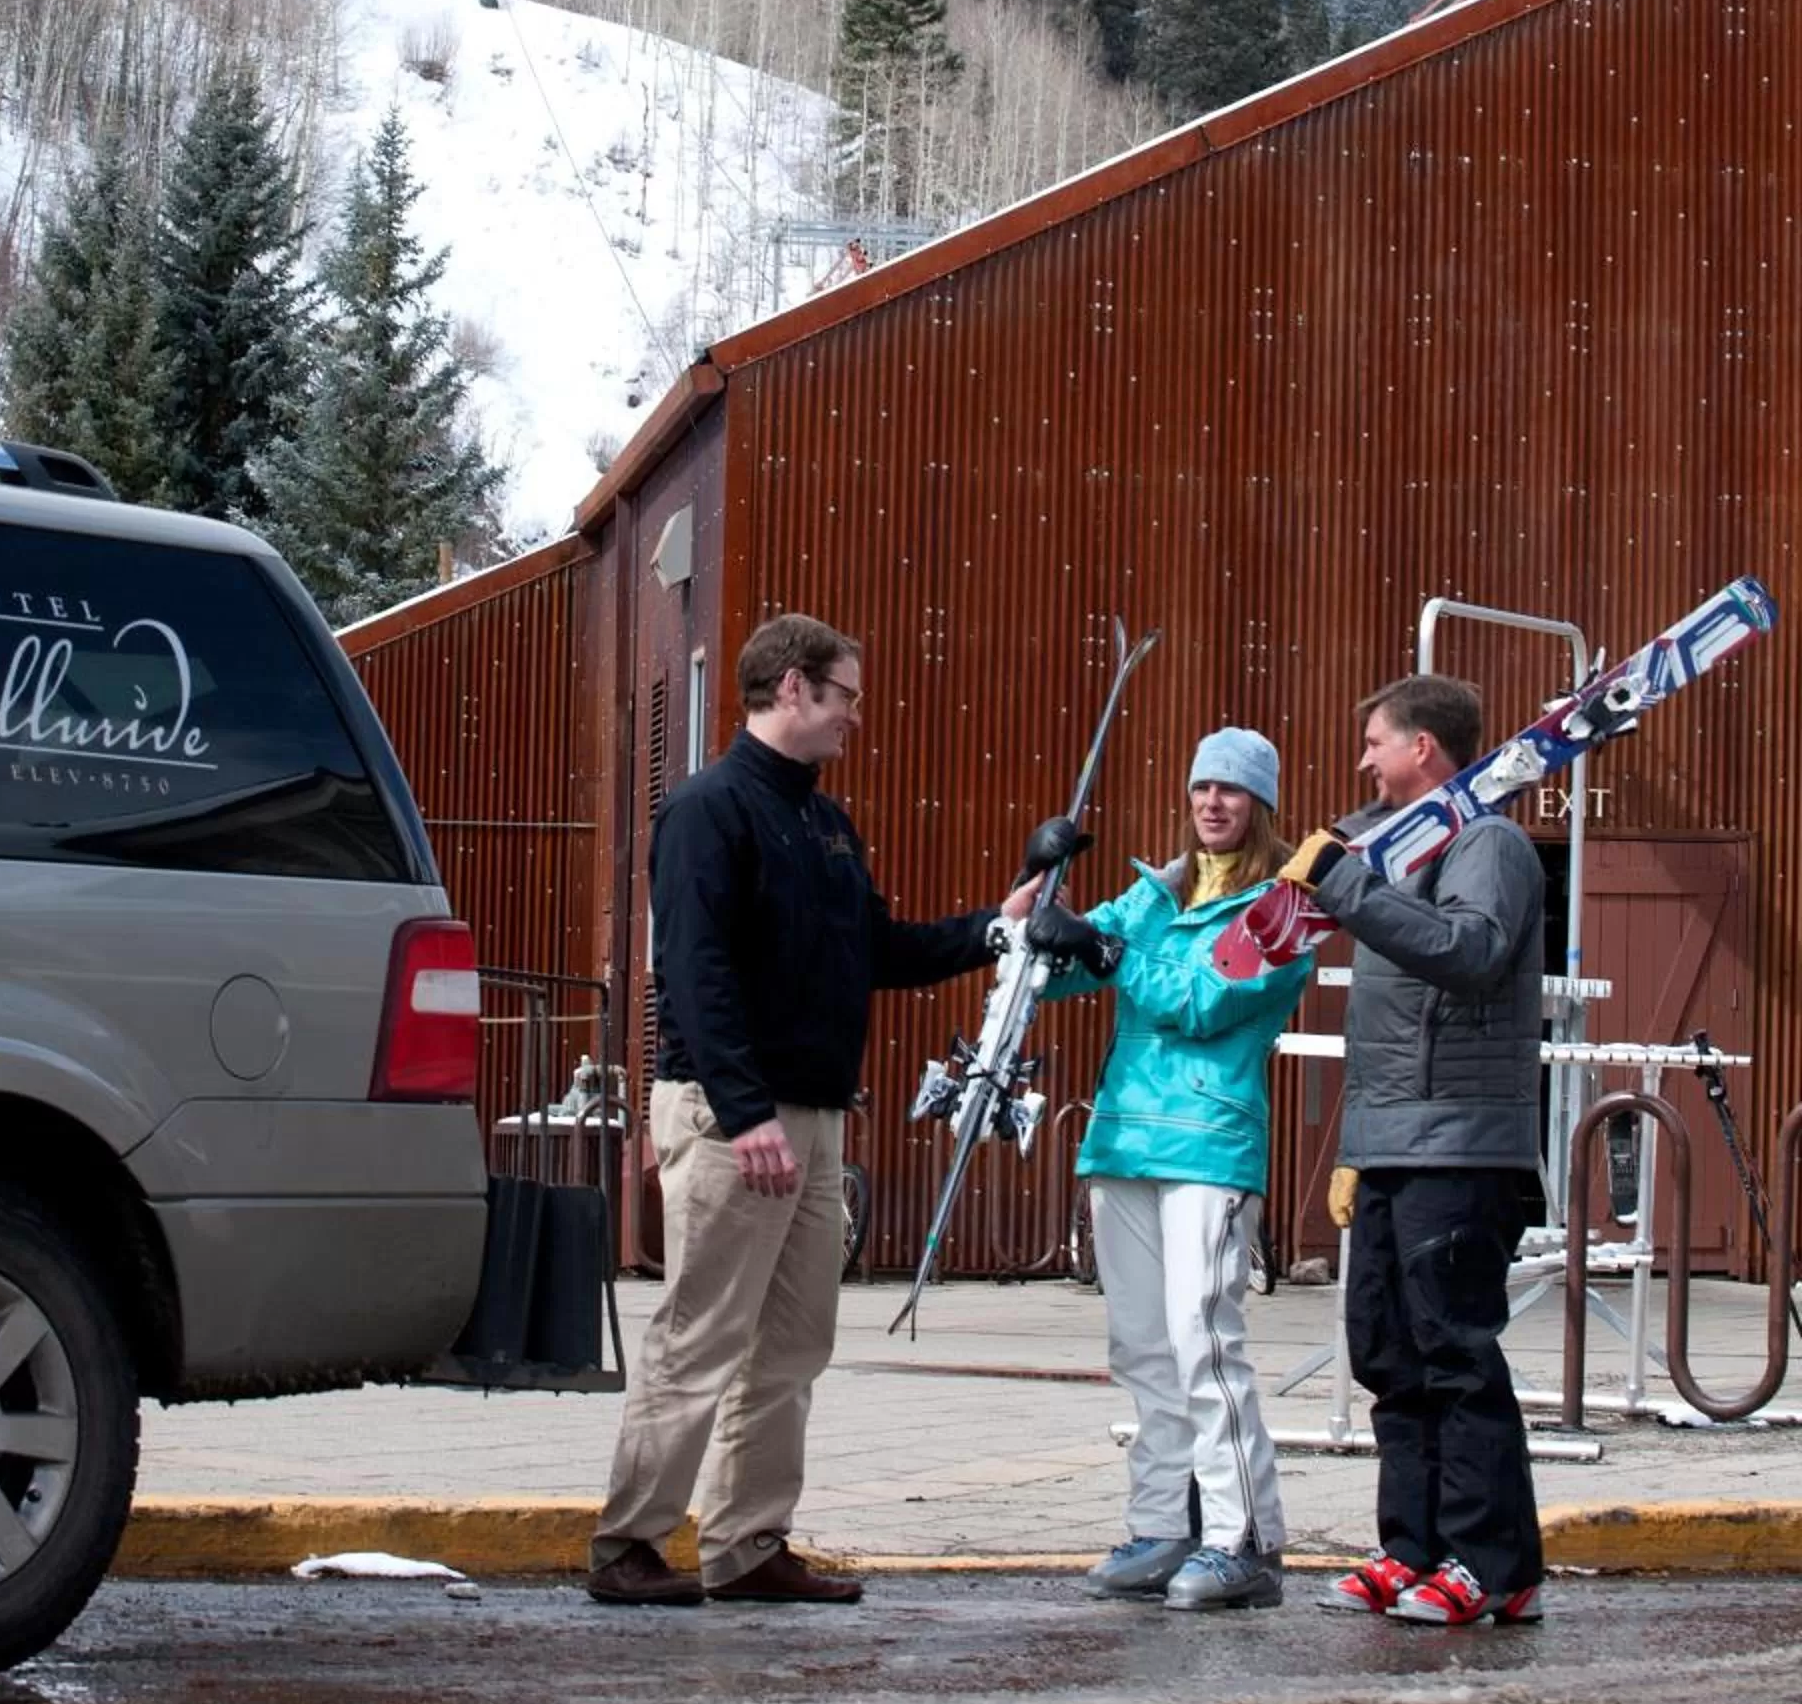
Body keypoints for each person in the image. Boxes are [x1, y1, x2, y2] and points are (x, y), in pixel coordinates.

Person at [587, 611, 1101, 1607]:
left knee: (792, 1342)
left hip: (813, 1114)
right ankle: (628, 1543)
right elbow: (692, 973)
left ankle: (746, 1542)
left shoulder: (822, 823)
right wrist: (745, 1115)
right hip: (733, 1115)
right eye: (845, 696)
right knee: (701, 1333)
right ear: (793, 688)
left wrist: (992, 933)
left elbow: (875, 949)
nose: (853, 719)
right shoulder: (707, 810)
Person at [1237, 670, 1546, 1628]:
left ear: (1425, 748)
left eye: (1378, 741)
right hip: (1392, 1138)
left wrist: (1351, 889)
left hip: (1462, 1144)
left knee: (1455, 1352)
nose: (1365, 758)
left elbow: (1470, 950)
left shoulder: (1489, 843)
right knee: (1388, 1350)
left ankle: (1495, 1566)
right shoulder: (1393, 852)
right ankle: (1414, 1548)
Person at [1048, 727, 1314, 1612]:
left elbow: (1202, 1002)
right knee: (1143, 1349)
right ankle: (1162, 1525)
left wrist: (1108, 952)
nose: (1213, 804)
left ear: (1261, 804)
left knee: (1204, 1339)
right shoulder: (1154, 891)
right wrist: (1040, 901)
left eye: (1232, 792)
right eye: (1202, 788)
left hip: (1208, 1142)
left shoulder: (1286, 910)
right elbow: (1048, 978)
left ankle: (1247, 1540)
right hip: (1123, 1137)